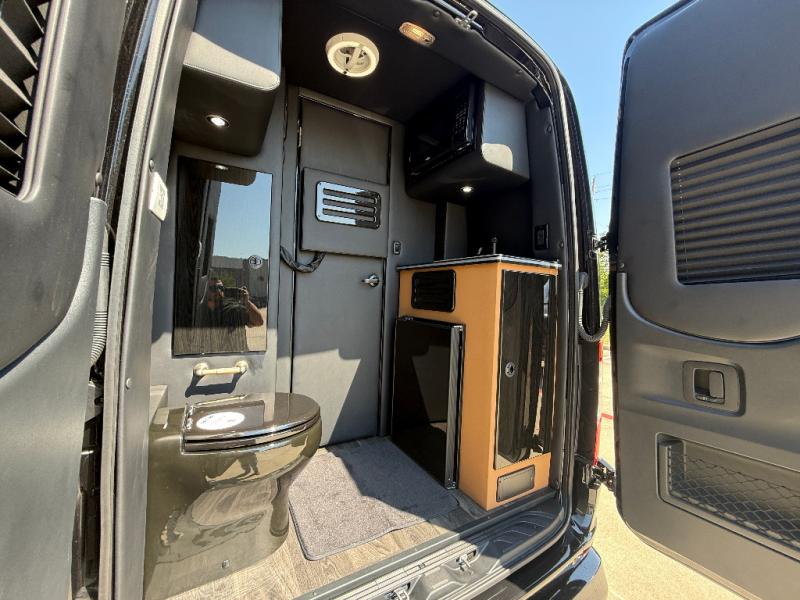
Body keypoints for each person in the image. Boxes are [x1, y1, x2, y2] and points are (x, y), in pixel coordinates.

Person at [198, 278, 264, 353]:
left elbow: (259, 322)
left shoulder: (233, 308)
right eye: (213, 288)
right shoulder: (199, 312)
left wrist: (247, 302)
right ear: (205, 291)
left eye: (220, 287)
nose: (218, 291)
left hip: (237, 356)